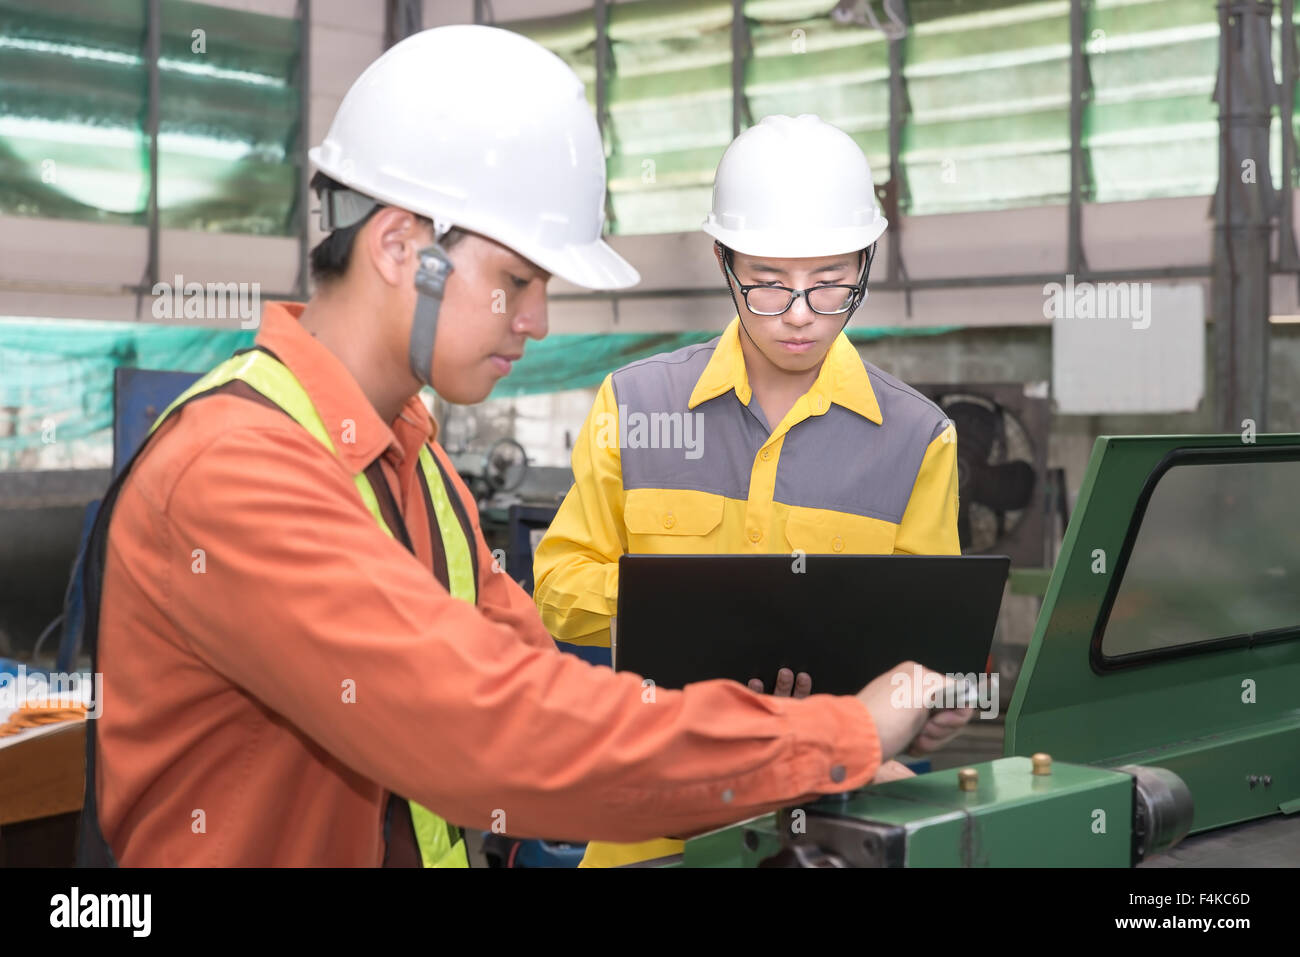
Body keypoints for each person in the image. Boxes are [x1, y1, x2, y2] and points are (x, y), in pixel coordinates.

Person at [79, 28, 970, 867]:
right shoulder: (238, 468)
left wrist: (803, 764)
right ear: (401, 247)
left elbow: (553, 698)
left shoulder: (416, 465)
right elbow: (495, 730)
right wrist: (840, 734)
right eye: (515, 280)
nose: (538, 322)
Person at [533, 114, 961, 867]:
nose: (799, 314)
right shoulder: (636, 405)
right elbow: (557, 588)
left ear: (866, 264)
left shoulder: (917, 439)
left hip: (832, 821)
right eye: (768, 284)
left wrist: (934, 705)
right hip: (650, 820)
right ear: (724, 262)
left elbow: (930, 643)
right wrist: (700, 621)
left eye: (830, 284)